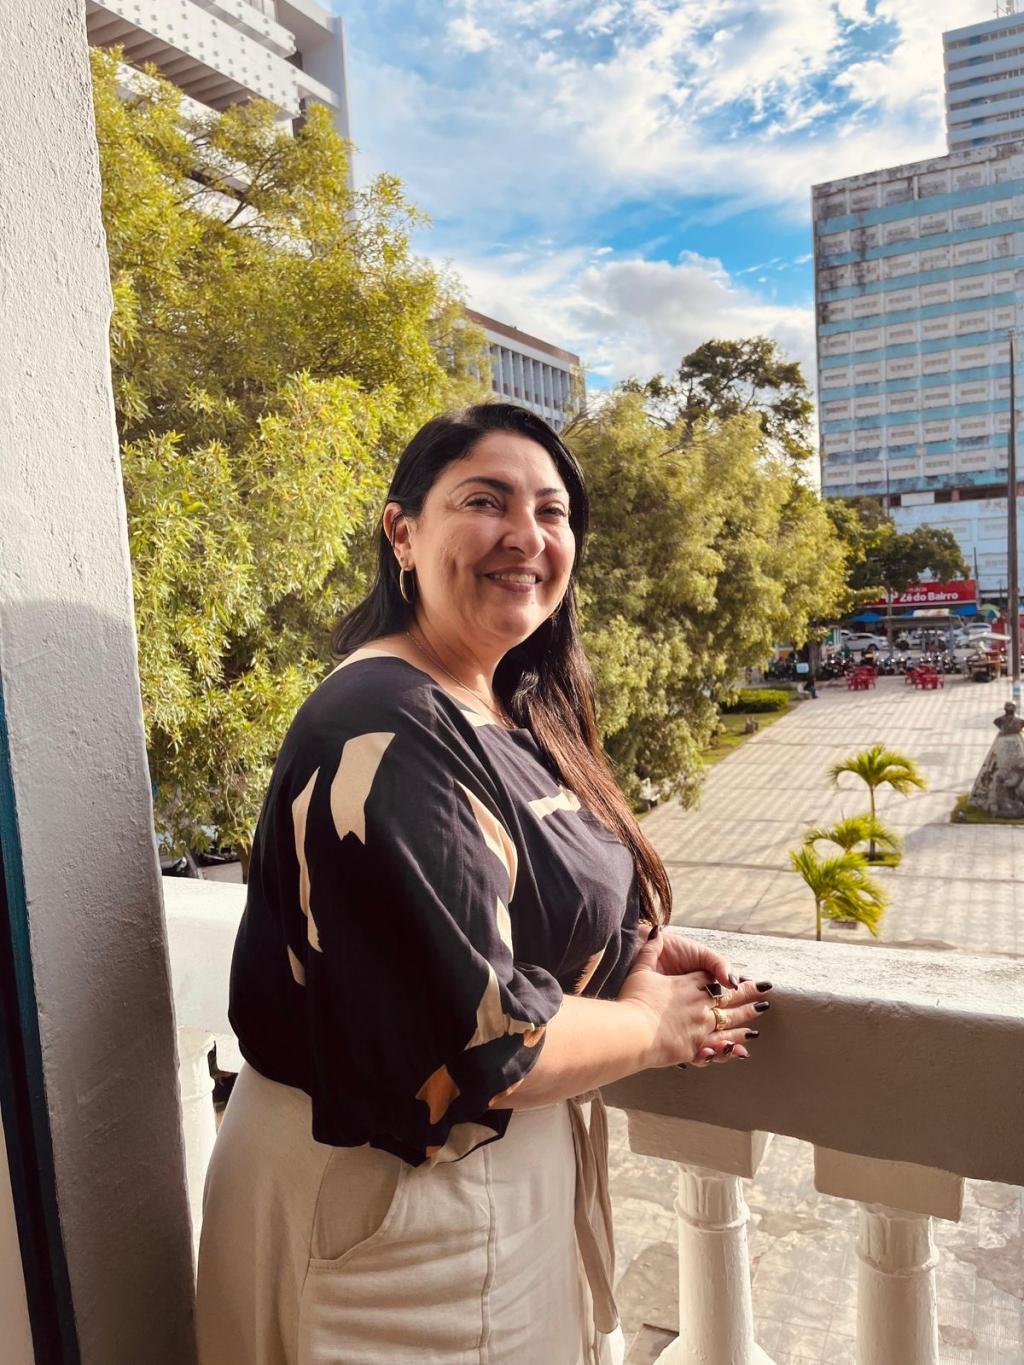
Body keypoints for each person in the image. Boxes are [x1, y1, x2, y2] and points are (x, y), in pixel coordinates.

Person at [195, 404, 772, 1365]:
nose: (526, 535)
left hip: (489, 1196)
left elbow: (504, 902)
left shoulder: (500, 704)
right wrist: (654, 1025)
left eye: (551, 511)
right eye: (485, 501)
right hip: (389, 1222)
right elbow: (488, 1039)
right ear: (402, 532)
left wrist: (622, 955)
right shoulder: (384, 720)